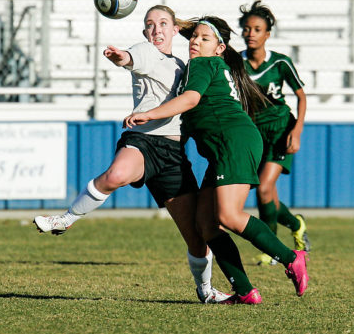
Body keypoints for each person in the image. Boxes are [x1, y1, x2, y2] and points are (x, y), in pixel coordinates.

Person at [34, 5, 230, 304]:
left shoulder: (188, 66)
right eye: (150, 24)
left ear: (175, 29)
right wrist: (120, 57)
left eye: (163, 23)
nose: (157, 30)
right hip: (143, 140)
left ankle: (205, 291)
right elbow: (130, 57)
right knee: (116, 175)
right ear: (144, 32)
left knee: (195, 236)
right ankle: (66, 218)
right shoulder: (147, 52)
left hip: (173, 153)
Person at [124, 16, 310, 300]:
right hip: (228, 143)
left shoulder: (202, 64)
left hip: (232, 141)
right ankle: (245, 291)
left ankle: (290, 257)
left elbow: (190, 100)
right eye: (194, 37)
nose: (196, 42)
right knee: (206, 225)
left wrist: (149, 114)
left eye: (204, 38)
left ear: (220, 48)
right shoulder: (210, 63)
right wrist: (176, 23)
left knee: (228, 216)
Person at [238, 0, 310, 266]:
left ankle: (271, 250)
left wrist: (297, 130)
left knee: (265, 188)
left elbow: (302, 97)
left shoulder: (281, 63)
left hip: (280, 129)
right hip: (254, 133)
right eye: (247, 28)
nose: (251, 33)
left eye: (257, 29)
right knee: (265, 194)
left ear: (267, 34)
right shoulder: (236, 63)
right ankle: (296, 224)